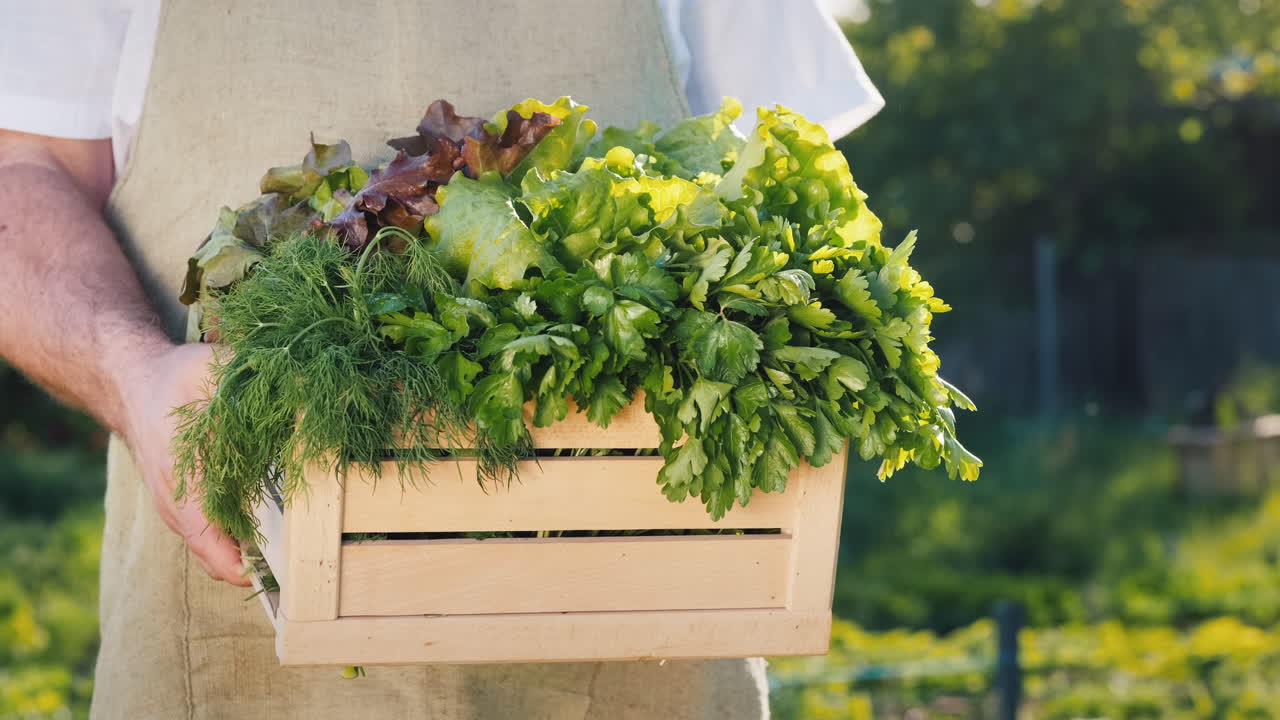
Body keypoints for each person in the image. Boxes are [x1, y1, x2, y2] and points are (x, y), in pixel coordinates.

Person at [0, 1, 882, 717]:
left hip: (644, 652)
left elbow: (785, 184)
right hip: (228, 647)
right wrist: (135, 374)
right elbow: (20, 175)